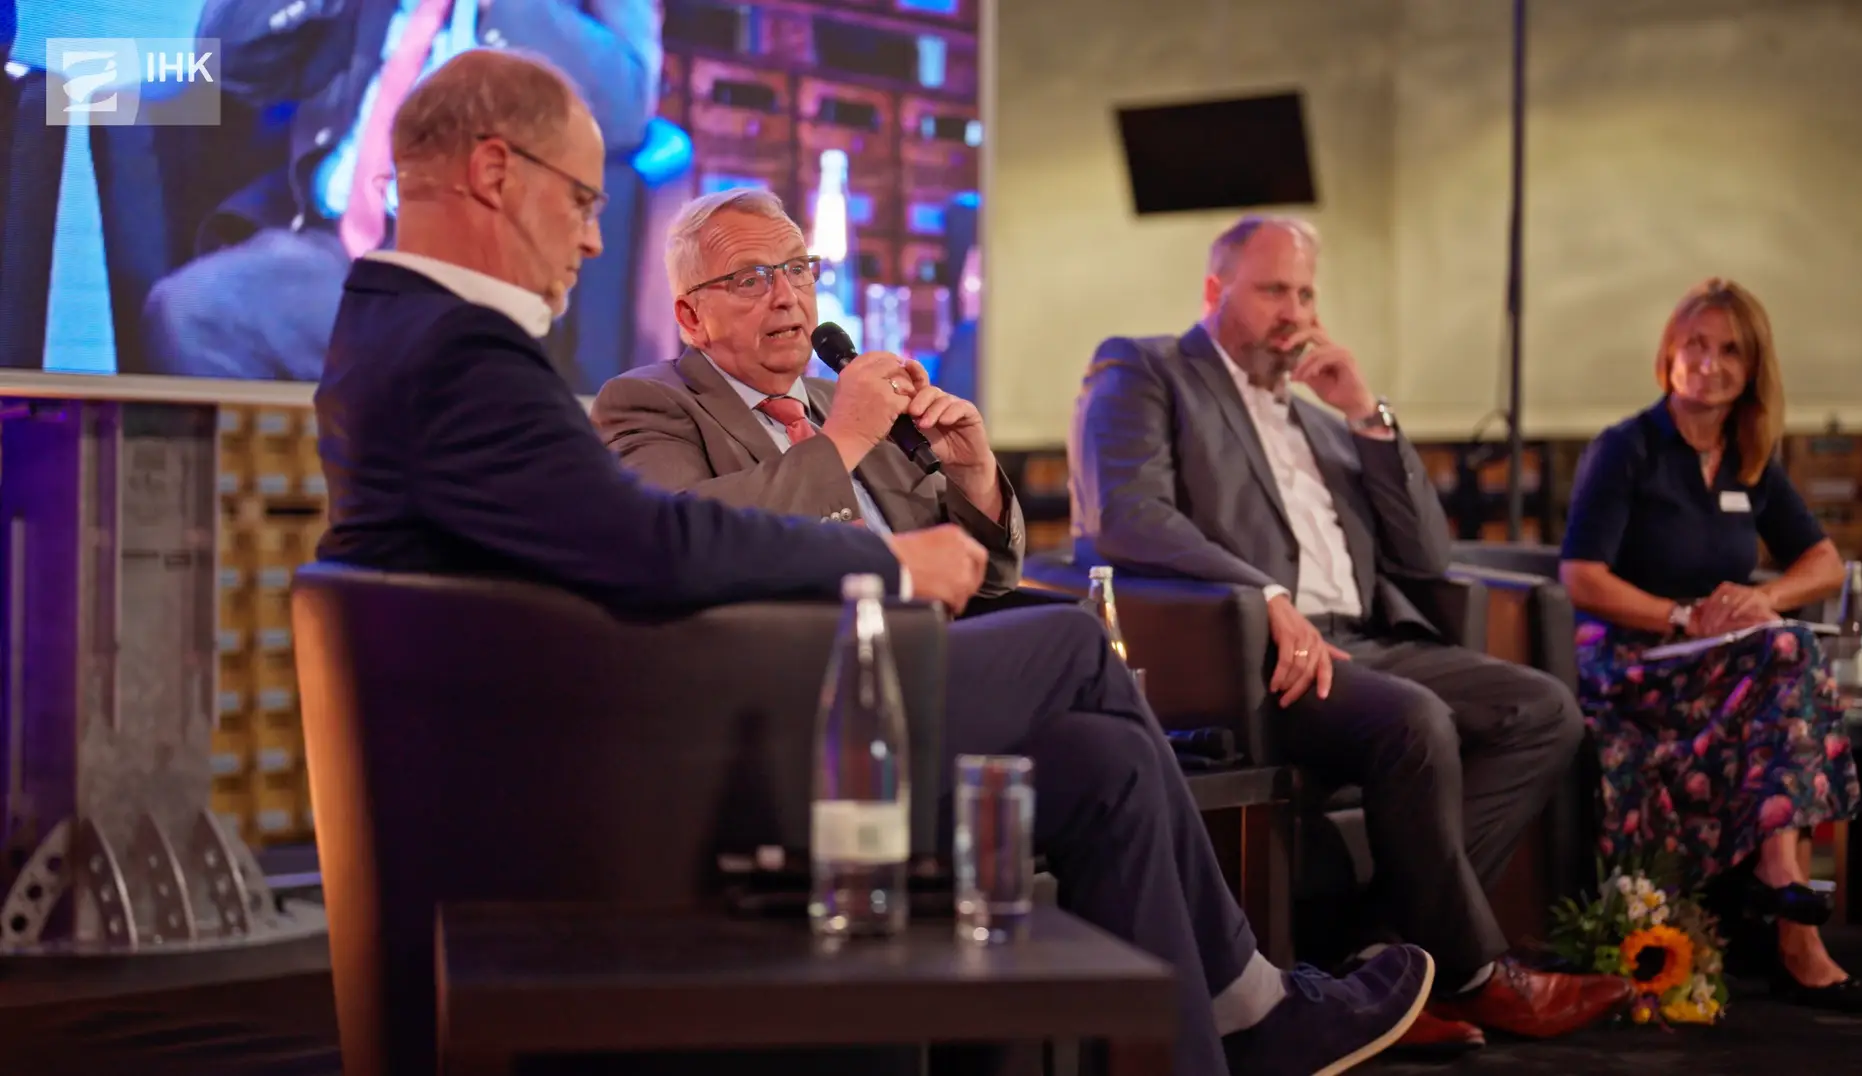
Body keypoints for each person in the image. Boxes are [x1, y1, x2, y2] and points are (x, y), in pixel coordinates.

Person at [314, 49, 1434, 1076]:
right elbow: (653, 542)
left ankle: (1204, 1047)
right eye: (583, 199)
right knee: (1068, 640)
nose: (593, 237)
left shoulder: (409, 338)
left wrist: (977, 481)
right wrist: (887, 549)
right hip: (708, 732)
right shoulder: (511, 365)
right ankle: (1258, 1001)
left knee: (1106, 760)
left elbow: (969, 567)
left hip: (788, 693)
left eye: (798, 271)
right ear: (497, 172)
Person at [1069, 214, 1636, 1051]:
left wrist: (1367, 415)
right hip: (1254, 652)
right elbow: (1126, 515)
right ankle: (1478, 976)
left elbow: (1425, 556)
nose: (1293, 312)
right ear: (1215, 291)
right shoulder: (1148, 368)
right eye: (1272, 291)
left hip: (1368, 637)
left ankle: (1383, 961)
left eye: (1304, 293)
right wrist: (1259, 592)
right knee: (1413, 720)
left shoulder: (1328, 423)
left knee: (1545, 710)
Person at [1559, 278, 1862, 1014]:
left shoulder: (1747, 458)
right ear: (1669, 353)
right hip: (1632, 662)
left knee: (1784, 646)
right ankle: (1789, 908)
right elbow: (1580, 576)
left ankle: (1782, 899)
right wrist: (1681, 617)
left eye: (1730, 349)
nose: (1710, 362)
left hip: (1717, 666)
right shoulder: (1628, 448)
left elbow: (1824, 562)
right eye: (1695, 344)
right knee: (1788, 655)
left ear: (1753, 366)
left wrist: (1763, 597)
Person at [139, 0, 664, 387]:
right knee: (193, 312)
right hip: (333, 248)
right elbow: (229, 58)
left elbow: (625, 101)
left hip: (484, 268)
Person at [589, 188, 1022, 598]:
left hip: (930, 640)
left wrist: (974, 473)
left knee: (1070, 627)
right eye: (750, 279)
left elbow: (990, 577)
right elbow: (672, 546)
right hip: (799, 660)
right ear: (691, 318)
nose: (786, 297)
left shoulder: (847, 401)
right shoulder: (647, 402)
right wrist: (843, 441)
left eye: (798, 270)